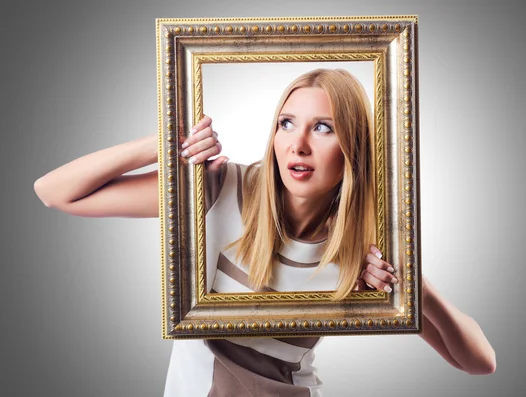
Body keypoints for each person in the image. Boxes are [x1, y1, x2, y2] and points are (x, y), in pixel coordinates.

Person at [34, 69, 496, 396]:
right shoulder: (217, 188)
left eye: (323, 128)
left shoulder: (363, 248)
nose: (298, 144)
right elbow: (55, 192)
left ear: (353, 147)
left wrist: (410, 282)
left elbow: (478, 362)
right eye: (286, 123)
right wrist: (165, 142)